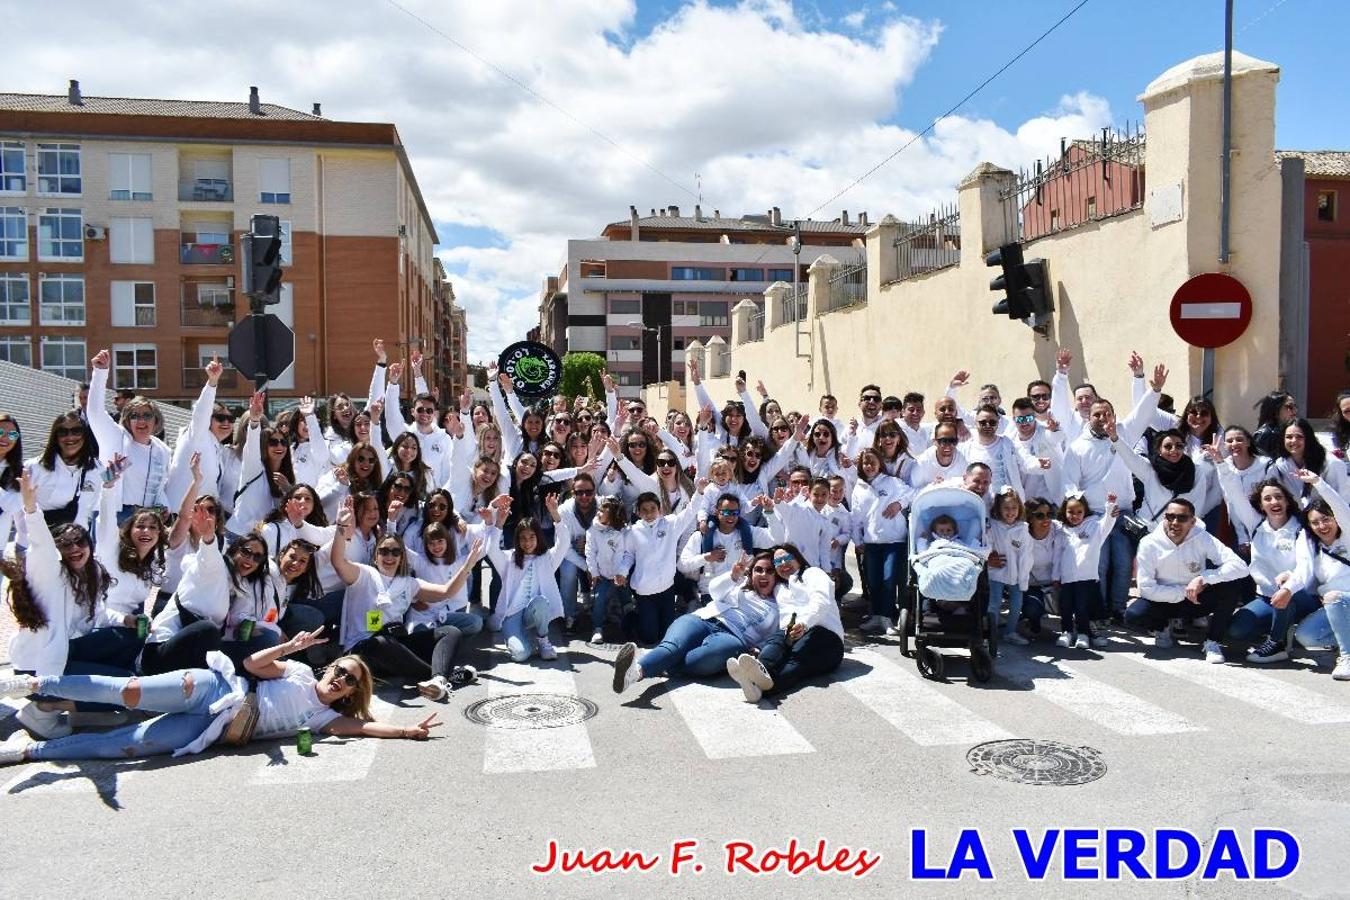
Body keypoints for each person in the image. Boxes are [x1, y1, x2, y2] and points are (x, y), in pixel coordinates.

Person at [0, 631, 441, 766]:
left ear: (348, 695)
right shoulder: (302, 671)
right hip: (214, 688)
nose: (341, 681)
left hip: (210, 728)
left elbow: (365, 728)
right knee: (129, 693)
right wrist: (289, 647)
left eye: (349, 684)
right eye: (341, 671)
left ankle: (29, 752)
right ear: (329, 668)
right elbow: (251, 665)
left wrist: (407, 730)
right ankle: (38, 685)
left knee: (124, 746)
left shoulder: (322, 717)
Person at [329, 497, 489, 697]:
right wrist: (341, 527)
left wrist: (468, 565)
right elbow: (337, 561)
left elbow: (446, 591)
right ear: (375, 555)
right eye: (384, 551)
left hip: (396, 645)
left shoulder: (409, 584)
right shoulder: (363, 574)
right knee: (380, 643)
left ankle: (439, 680)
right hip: (364, 652)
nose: (389, 556)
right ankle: (444, 675)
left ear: (402, 557)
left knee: (451, 632)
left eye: (395, 552)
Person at [611, 550, 782, 694]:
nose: (763, 575)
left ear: (777, 576)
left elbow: (773, 636)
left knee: (702, 659)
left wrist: (759, 648)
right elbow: (714, 590)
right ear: (751, 572)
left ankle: (658, 664)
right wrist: (733, 575)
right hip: (703, 619)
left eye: (769, 571)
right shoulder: (740, 583)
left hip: (732, 637)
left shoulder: (779, 605)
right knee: (673, 647)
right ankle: (636, 672)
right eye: (758, 570)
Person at [1212, 464, 1317, 664]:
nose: (1274, 501)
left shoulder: (1300, 530)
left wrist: (1289, 585)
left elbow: (1305, 568)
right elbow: (1234, 493)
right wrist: (1221, 463)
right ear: (1261, 506)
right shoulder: (1256, 525)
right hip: (1266, 598)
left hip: (1300, 596)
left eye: (1278, 497)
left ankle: (1277, 643)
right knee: (1236, 631)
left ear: (1287, 501)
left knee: (1283, 589)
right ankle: (1283, 627)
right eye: (1267, 498)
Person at [1125, 498, 1250, 663]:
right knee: (1134, 614)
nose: (1175, 522)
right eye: (1170, 517)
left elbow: (1240, 566)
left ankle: (1212, 641)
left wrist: (1203, 579)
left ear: (1192, 521)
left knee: (1231, 585)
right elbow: (1146, 588)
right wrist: (1183, 592)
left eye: (1182, 518)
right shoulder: (1149, 544)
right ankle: (1162, 626)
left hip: (1196, 599)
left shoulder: (1203, 537)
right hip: (1164, 600)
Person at [726, 543, 845, 703]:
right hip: (794, 634)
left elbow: (820, 603)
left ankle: (759, 686)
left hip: (826, 638)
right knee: (778, 639)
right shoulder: (779, 588)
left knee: (797, 657)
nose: (783, 564)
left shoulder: (813, 574)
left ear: (798, 558)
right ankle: (757, 674)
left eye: (787, 558)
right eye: (777, 562)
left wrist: (803, 624)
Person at [483, 493, 570, 662]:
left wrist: (554, 513)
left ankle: (543, 640)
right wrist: (499, 522)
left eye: (531, 537)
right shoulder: (509, 559)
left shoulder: (547, 558)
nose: (527, 542)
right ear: (517, 540)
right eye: (522, 538)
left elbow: (564, 543)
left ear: (538, 537)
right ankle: (522, 639)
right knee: (521, 655)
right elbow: (491, 549)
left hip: (533, 614)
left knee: (542, 602)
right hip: (512, 615)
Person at [87, 349, 171, 523]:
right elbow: (94, 412)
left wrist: (164, 506)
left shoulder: (162, 450)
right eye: (135, 416)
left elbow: (160, 487)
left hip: (147, 519)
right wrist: (100, 372)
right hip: (116, 515)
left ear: (156, 420)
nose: (141, 420)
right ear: (127, 420)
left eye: (147, 415)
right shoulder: (117, 438)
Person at [1290, 470, 1350, 679]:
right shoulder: (1310, 545)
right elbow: (1303, 572)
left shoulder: (1348, 535)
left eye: (1326, 519)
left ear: (1335, 519)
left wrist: (1318, 482)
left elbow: (1341, 508)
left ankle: (1347, 657)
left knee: (1333, 596)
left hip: (1342, 599)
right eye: (1315, 523)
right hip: (1335, 607)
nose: (1321, 526)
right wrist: (1288, 585)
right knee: (1307, 636)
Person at [850, 448, 912, 633]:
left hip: (894, 542)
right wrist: (858, 540)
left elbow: (912, 494)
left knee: (888, 579)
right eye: (865, 463)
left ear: (880, 464)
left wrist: (898, 504)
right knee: (874, 581)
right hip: (871, 543)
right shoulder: (859, 488)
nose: (869, 466)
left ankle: (886, 619)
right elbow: (855, 518)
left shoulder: (893, 482)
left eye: (872, 462)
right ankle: (876, 616)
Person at [1054, 492, 1119, 650]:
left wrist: (1110, 507)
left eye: (1079, 512)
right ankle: (1067, 632)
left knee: (1082, 607)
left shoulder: (1094, 526)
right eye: (1070, 512)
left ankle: (1083, 633)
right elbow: (1057, 556)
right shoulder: (1061, 531)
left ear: (1085, 511)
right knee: (1066, 607)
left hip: (1086, 578)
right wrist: (1055, 576)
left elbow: (1107, 523)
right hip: (1066, 578)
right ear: (1064, 511)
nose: (1075, 516)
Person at [987, 488, 1033, 647]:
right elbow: (987, 544)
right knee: (994, 603)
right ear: (999, 509)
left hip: (1016, 573)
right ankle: (989, 633)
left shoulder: (1022, 529)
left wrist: (1023, 579)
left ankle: (1010, 632)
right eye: (1006, 508)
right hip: (996, 572)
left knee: (1016, 604)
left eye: (1014, 508)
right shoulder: (993, 526)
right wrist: (989, 558)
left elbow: (1026, 555)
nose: (1010, 512)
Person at [585, 496, 634, 643]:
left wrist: (621, 573)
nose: (599, 514)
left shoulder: (622, 531)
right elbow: (590, 552)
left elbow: (625, 554)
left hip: (619, 575)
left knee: (626, 598)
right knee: (599, 600)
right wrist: (594, 573)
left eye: (604, 512)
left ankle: (631, 625)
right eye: (599, 510)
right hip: (602, 575)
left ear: (613, 516)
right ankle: (598, 628)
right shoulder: (592, 530)